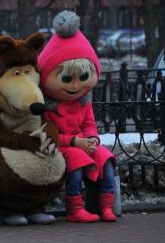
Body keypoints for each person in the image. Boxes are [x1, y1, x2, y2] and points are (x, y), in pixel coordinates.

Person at [38, 11, 117, 223]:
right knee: (77, 159)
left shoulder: (83, 101)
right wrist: (75, 141)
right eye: (66, 79)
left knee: (106, 158)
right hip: (60, 146)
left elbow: (90, 123)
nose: (75, 86)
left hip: (82, 143)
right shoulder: (46, 106)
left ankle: (106, 205)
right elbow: (48, 133)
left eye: (82, 78)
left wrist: (92, 139)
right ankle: (74, 207)